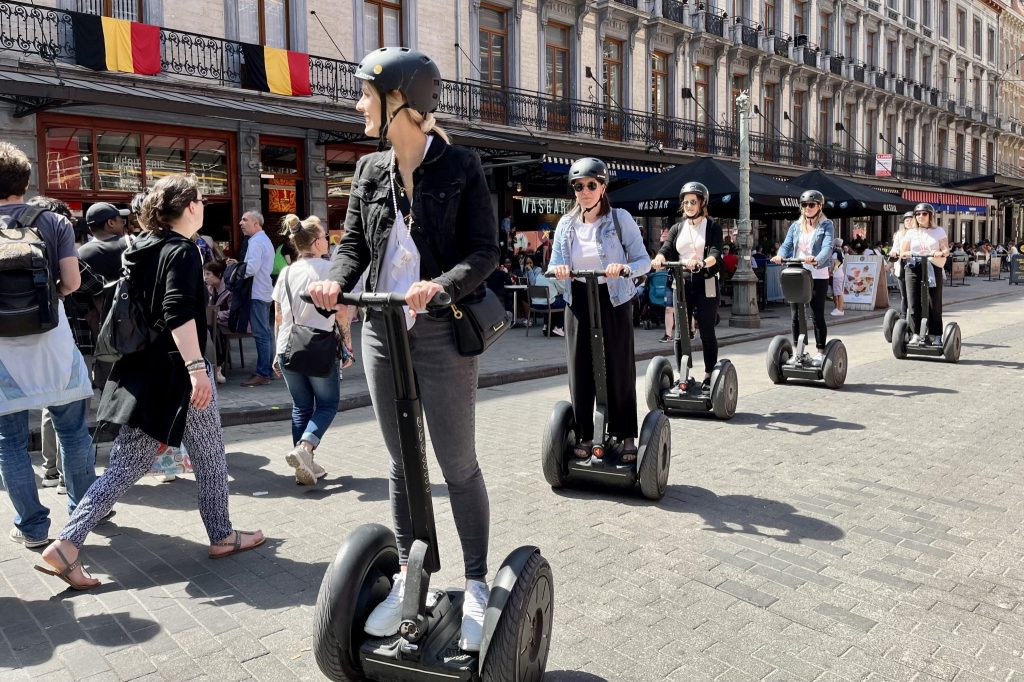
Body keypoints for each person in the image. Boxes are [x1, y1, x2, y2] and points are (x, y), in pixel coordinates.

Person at [307, 47, 498, 652]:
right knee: (399, 461)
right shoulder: (369, 171)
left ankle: (474, 582)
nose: (358, 103)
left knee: (456, 463)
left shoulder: (462, 166)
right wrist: (336, 277)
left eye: (367, 93)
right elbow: (355, 244)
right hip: (381, 331)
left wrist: (441, 287)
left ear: (401, 102)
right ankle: (411, 583)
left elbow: (484, 252)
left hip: (441, 331)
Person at [37, 174, 265, 590]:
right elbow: (179, 313)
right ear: (187, 206)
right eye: (199, 200)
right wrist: (198, 369)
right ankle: (71, 543)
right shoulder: (181, 251)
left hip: (142, 370)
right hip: (176, 375)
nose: (203, 206)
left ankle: (218, 534)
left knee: (148, 460)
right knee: (197, 456)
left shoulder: (139, 246)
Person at [0, 140, 98, 549]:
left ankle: (33, 528)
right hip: (52, 342)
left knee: (10, 443)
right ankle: (81, 519)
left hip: (2, 352)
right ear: (25, 180)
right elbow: (73, 284)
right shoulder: (52, 222)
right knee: (73, 432)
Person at [550, 157, 651, 461]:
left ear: (603, 186)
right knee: (580, 369)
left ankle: (626, 435)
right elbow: (553, 263)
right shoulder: (566, 225)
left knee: (619, 367)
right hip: (578, 298)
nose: (585, 191)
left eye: (591, 185)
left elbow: (643, 261)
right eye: (578, 186)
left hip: (614, 298)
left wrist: (624, 268)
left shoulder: (620, 219)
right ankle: (582, 434)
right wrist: (559, 271)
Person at [272, 214, 351, 486]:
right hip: (319, 346)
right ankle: (305, 450)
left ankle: (302, 467)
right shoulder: (331, 271)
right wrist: (348, 344)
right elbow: (341, 313)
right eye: (326, 237)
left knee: (301, 406)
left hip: (287, 347)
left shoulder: (286, 272)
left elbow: (279, 316)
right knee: (327, 404)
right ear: (317, 242)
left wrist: (275, 351)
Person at [651, 181, 724, 390]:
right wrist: (659, 258)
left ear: (702, 203)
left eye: (693, 201)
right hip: (681, 282)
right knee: (680, 331)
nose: (689, 206)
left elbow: (716, 254)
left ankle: (710, 374)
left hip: (706, 281)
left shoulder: (712, 227)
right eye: (686, 202)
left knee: (707, 330)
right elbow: (666, 248)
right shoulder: (677, 227)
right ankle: (683, 375)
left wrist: (702, 262)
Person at [771, 189, 835, 366]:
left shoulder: (826, 225)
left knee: (816, 313)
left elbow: (828, 247)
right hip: (797, 272)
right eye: (805, 205)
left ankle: (820, 351)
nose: (808, 208)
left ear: (819, 206)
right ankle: (798, 351)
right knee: (795, 315)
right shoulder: (795, 226)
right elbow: (787, 245)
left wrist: (816, 259)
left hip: (817, 274)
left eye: (811, 204)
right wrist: (779, 255)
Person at [234, 210, 275, 387]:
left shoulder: (257, 241)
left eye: (245, 220)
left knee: (261, 334)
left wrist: (236, 270)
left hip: (257, 292)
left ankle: (263, 373)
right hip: (264, 291)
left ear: (256, 223)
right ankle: (269, 369)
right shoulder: (263, 239)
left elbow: (251, 269)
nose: (240, 223)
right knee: (266, 333)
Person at [900, 202, 949, 345]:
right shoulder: (911, 232)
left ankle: (935, 334)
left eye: (924, 214)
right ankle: (915, 333)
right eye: (918, 214)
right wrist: (906, 253)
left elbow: (946, 249)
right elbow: (903, 252)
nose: (921, 216)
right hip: (913, 266)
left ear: (930, 216)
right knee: (913, 301)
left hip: (933, 266)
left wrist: (940, 252)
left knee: (934, 302)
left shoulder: (938, 231)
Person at [203, 260, 232, 385]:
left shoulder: (229, 289)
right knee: (207, 328)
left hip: (229, 321)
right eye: (204, 274)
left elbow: (233, 311)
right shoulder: (209, 289)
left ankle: (218, 368)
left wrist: (217, 315)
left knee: (215, 330)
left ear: (218, 274)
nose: (205, 277)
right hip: (214, 321)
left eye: (208, 274)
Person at [889, 210, 915, 321]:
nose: (908, 222)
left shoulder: (918, 233)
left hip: (914, 265)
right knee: (904, 294)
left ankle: (915, 315)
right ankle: (904, 316)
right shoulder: (900, 234)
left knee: (913, 294)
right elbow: (895, 247)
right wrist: (893, 252)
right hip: (902, 265)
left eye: (911, 220)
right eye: (906, 220)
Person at [831, 237, 846, 316]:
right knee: (839, 292)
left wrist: (831, 270)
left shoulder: (836, 252)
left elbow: (834, 264)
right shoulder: (841, 251)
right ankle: (839, 309)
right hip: (840, 274)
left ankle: (840, 309)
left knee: (838, 293)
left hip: (837, 275)